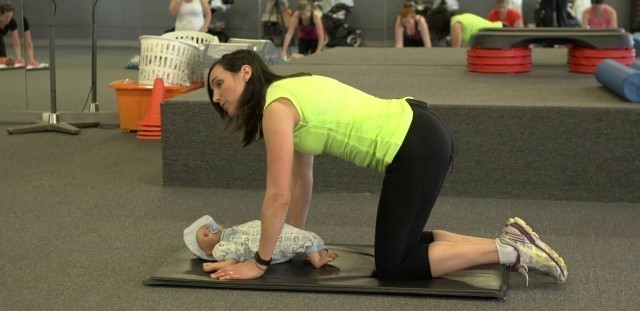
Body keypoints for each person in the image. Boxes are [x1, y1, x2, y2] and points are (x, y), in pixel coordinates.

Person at [203, 49, 568, 286]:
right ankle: (509, 241)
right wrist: (298, 242)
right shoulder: (291, 92)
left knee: (393, 266)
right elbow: (301, 183)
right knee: (401, 246)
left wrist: (260, 262)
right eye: (212, 92)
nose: (216, 97)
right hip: (420, 132)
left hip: (414, 145)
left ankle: (510, 252)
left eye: (220, 84)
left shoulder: (276, 108)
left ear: (246, 73)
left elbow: (277, 195)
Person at [183, 215, 339, 274]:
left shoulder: (231, 230)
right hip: (265, 246)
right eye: (206, 235)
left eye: (209, 227)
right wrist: (217, 265)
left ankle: (320, 252)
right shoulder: (220, 248)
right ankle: (316, 261)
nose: (211, 230)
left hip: (266, 231)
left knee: (307, 235)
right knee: (299, 238)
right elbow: (233, 258)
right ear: (208, 251)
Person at [428, 7, 504, 48]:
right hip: (500, 31)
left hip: (499, 34)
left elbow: (455, 51)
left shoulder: (455, 24)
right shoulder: (458, 19)